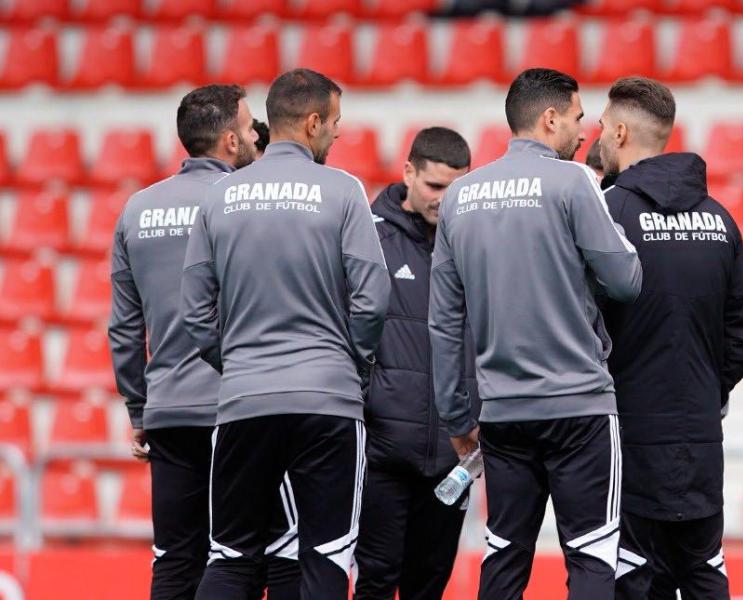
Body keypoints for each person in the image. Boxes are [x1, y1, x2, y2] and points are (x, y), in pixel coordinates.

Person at [429, 67, 642, 599]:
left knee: (503, 556)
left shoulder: (459, 196)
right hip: (579, 407)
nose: (584, 130)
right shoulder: (574, 182)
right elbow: (626, 281)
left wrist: (457, 416)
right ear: (550, 118)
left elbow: (444, 320)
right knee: (593, 555)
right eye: (576, 118)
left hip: (502, 413)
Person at [182, 68, 390, 599]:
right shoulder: (343, 190)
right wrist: (354, 366)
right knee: (326, 555)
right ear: (313, 122)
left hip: (245, 400)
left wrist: (240, 366)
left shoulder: (219, 196)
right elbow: (372, 298)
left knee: (231, 554)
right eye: (336, 122)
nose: (338, 134)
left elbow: (195, 313)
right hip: (328, 401)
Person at [596, 77, 743, 600]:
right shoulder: (719, 218)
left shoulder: (607, 214)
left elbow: (583, 323)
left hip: (625, 432)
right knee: (702, 570)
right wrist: (709, 385)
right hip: (698, 432)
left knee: (633, 576)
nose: (597, 138)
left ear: (620, 131)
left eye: (600, 127)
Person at [109, 84, 277, 600]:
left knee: (175, 556)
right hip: (238, 408)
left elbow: (123, 326)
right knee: (242, 556)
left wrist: (139, 407)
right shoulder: (246, 202)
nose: (255, 137)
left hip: (170, 411)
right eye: (251, 128)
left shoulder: (137, 208)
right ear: (230, 140)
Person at [354, 127, 479, 600]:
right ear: (408, 172)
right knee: (377, 580)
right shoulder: (368, 237)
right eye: (435, 186)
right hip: (385, 452)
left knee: (429, 586)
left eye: (457, 188)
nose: (445, 200)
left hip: (455, 457)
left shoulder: (474, 243)